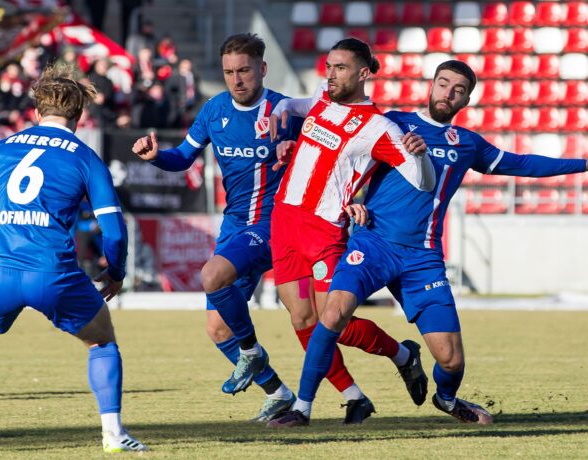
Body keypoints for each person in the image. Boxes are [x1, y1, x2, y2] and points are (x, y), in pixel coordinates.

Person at [271, 59, 588, 427]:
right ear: (431, 85)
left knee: (451, 360)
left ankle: (448, 398)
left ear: (466, 100)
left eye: (458, 90)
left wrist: (583, 164)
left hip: (422, 259)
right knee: (332, 313)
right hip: (372, 245)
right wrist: (344, 193)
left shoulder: (467, 144)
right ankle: (302, 408)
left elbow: (524, 163)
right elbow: (341, 158)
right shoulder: (393, 123)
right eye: (443, 83)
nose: (448, 93)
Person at [0, 63, 147, 453]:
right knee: (101, 340)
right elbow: (114, 231)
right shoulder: (86, 158)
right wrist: (115, 271)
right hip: (52, 271)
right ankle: (114, 434)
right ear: (79, 115)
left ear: (36, 111)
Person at [264, 37, 437, 427]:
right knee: (302, 320)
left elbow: (423, 183)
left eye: (339, 68)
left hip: (325, 229)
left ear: (362, 73)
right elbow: (298, 104)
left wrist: (422, 157)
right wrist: (281, 107)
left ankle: (402, 355)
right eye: (328, 66)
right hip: (284, 220)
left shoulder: (379, 127)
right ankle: (354, 396)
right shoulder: (323, 99)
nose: (330, 75)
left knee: (333, 321)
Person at [132, 33, 299, 422]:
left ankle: (254, 354)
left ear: (262, 68)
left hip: (274, 223)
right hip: (235, 226)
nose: (236, 79)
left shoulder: (287, 111)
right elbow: (184, 157)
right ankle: (279, 393)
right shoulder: (214, 110)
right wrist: (158, 158)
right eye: (228, 72)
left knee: (212, 276)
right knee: (217, 329)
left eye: (244, 70)